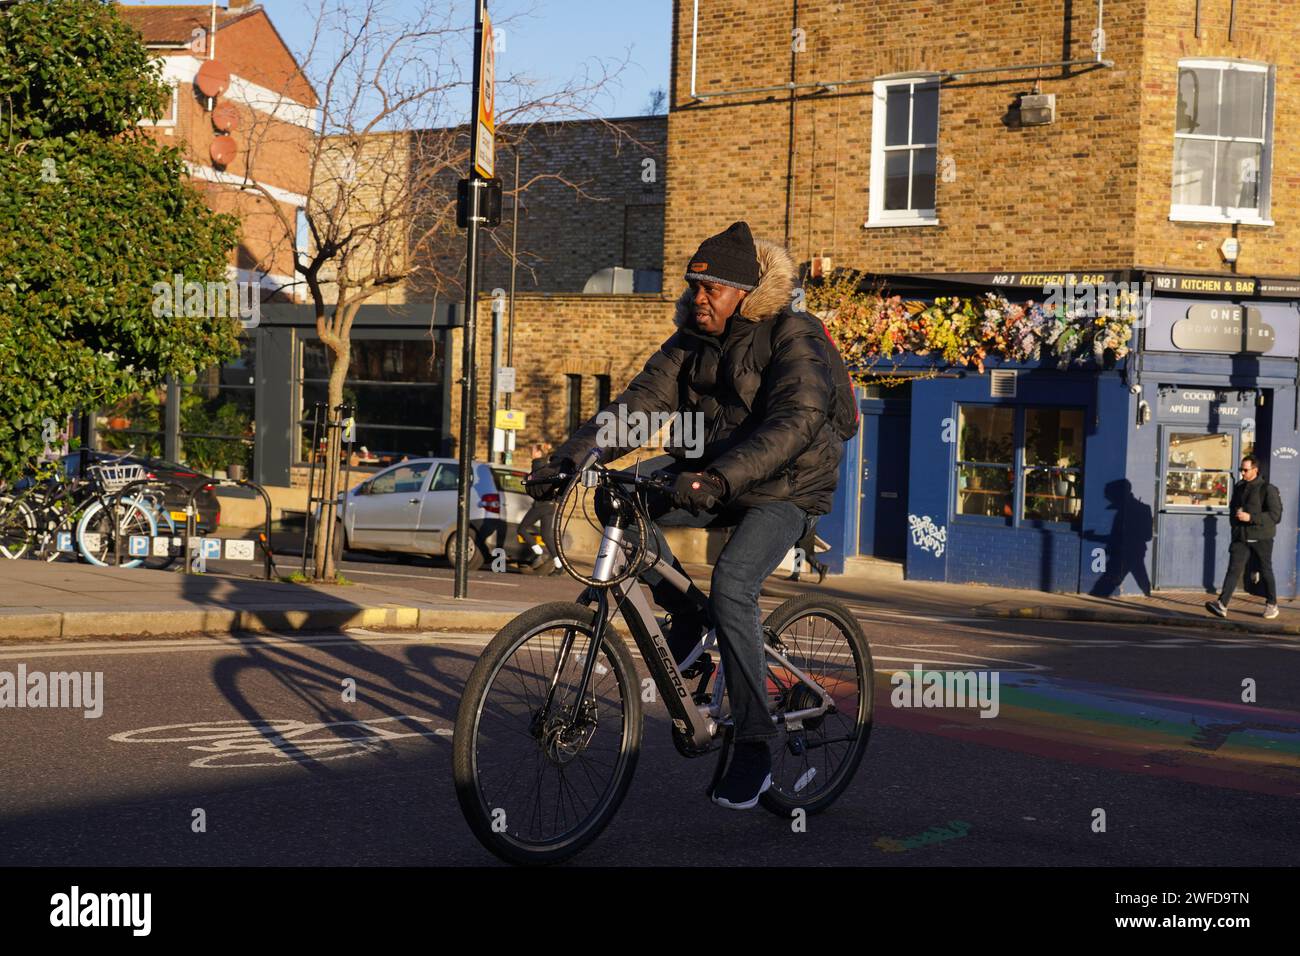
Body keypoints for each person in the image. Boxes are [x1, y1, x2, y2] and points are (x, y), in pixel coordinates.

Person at [527, 221, 842, 810]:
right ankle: (688, 618)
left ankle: (753, 741)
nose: (699, 296)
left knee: (734, 585)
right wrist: (570, 458)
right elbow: (639, 408)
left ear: (745, 293)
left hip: (788, 486)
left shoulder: (792, 334)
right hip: (712, 473)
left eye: (712, 287)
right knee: (615, 497)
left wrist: (719, 477)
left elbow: (797, 420)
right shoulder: (687, 342)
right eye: (694, 284)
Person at [1207, 454, 1282, 620]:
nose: (1242, 472)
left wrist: (1251, 517)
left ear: (1255, 470)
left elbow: (1275, 516)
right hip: (1241, 536)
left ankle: (1272, 604)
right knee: (1233, 569)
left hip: (1261, 537)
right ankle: (1222, 605)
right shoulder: (1240, 486)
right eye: (1241, 469)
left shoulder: (1267, 489)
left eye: (1245, 470)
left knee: (1265, 570)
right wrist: (1235, 525)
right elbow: (1233, 508)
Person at [516, 442, 563, 575]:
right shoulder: (547, 466)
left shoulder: (537, 466)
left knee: (522, 529)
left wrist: (527, 480)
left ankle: (539, 553)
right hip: (550, 505)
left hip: (541, 505)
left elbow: (533, 486)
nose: (531, 452)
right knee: (546, 536)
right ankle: (560, 566)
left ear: (538, 453)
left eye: (533, 450)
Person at [787, 517, 828, 583]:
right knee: (799, 553)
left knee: (806, 554)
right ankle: (795, 575)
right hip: (804, 529)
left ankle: (821, 567)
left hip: (806, 530)